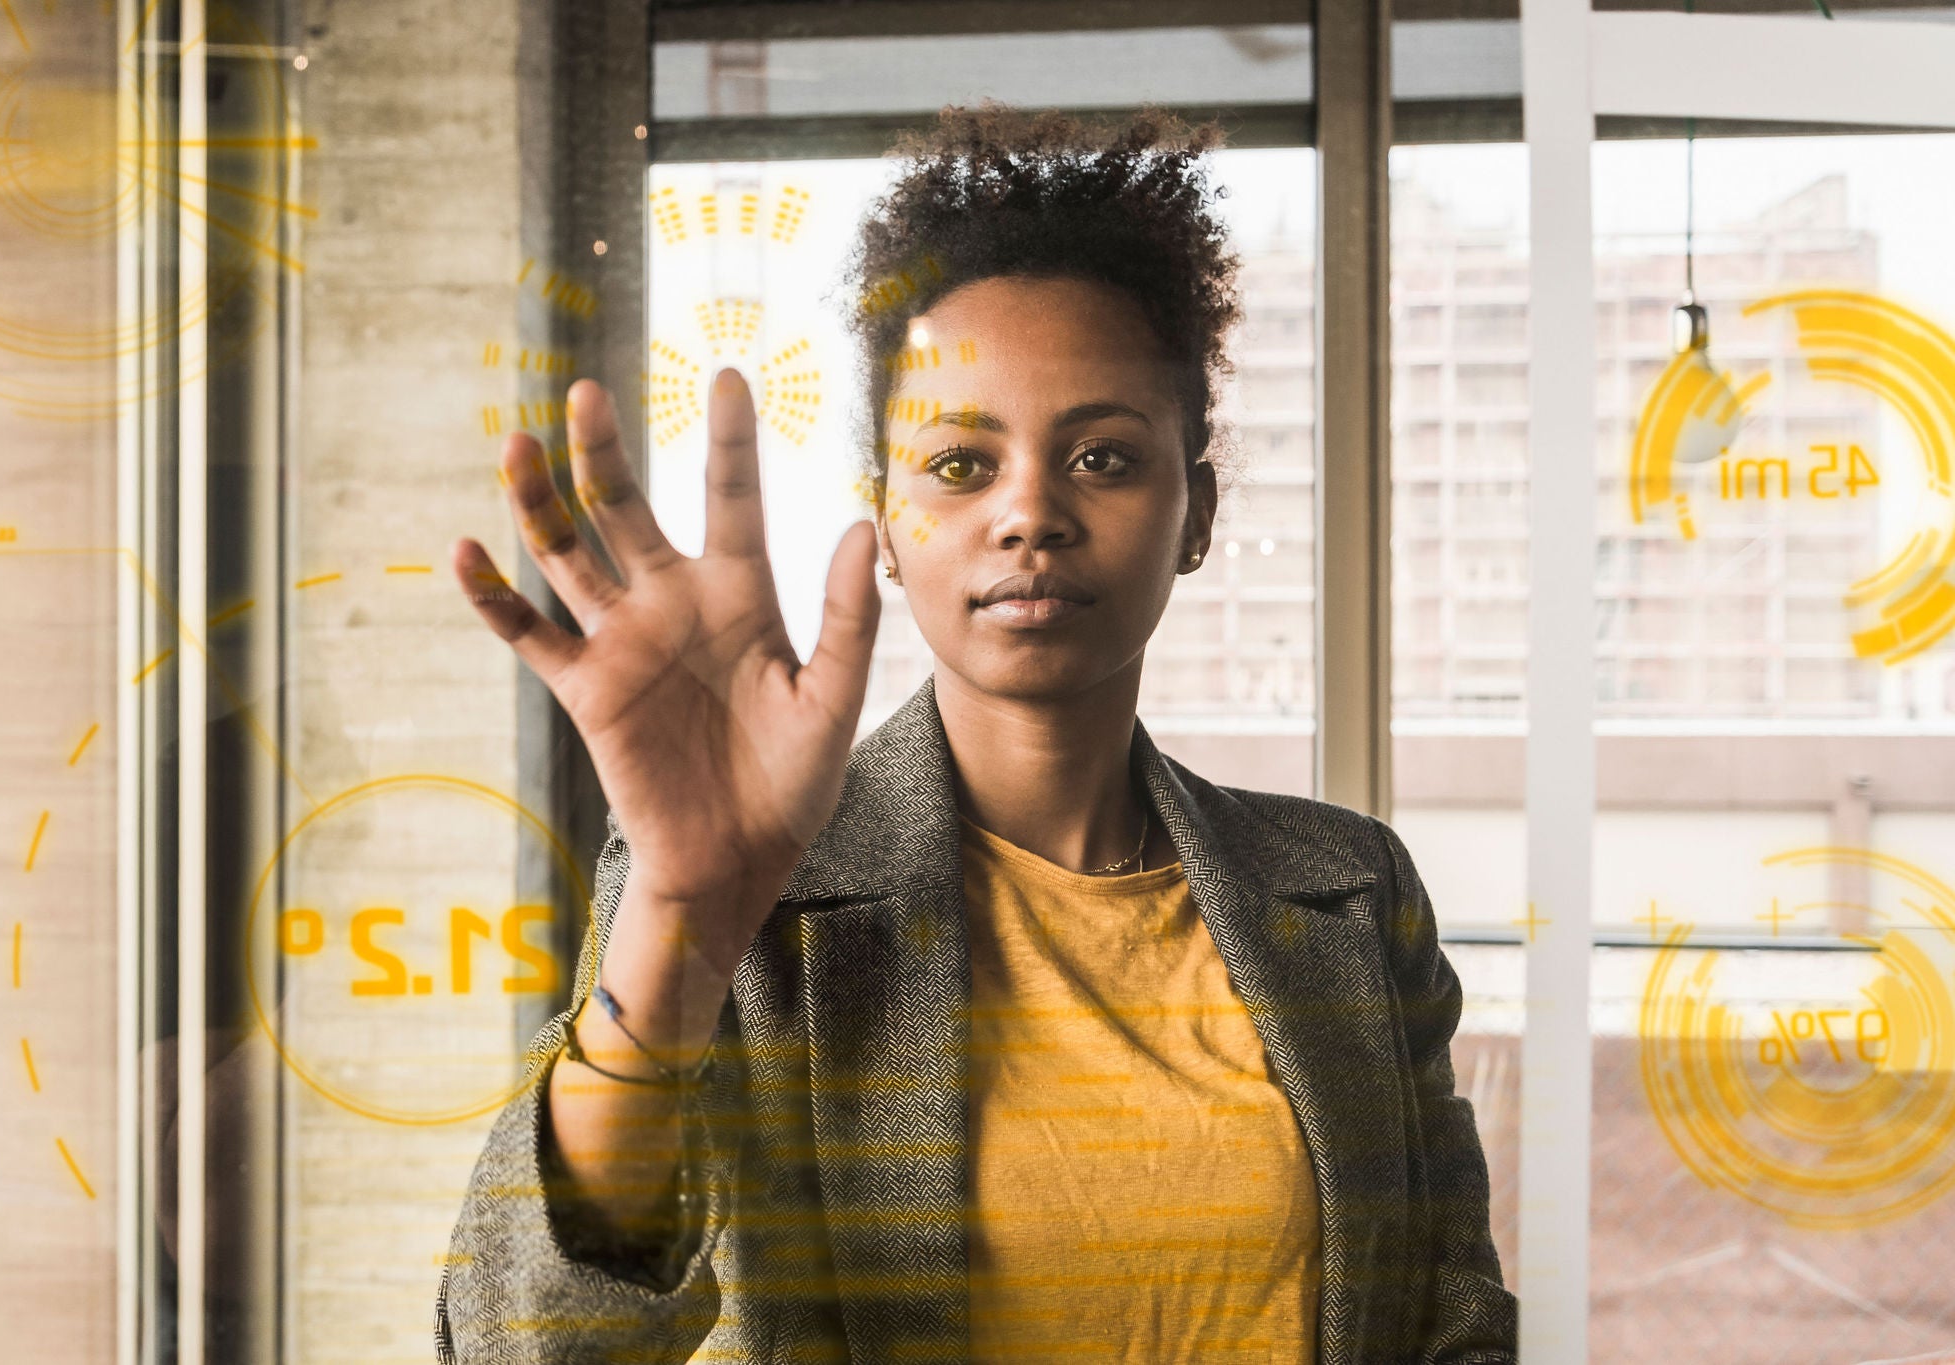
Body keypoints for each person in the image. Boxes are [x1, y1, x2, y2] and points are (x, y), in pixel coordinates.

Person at [435, 103, 1516, 1364]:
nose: (1029, 516)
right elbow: (523, 1345)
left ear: (1196, 511)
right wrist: (678, 919)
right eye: (959, 466)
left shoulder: (1348, 889)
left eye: (1102, 457)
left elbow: (1452, 1327)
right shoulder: (747, 888)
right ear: (886, 527)